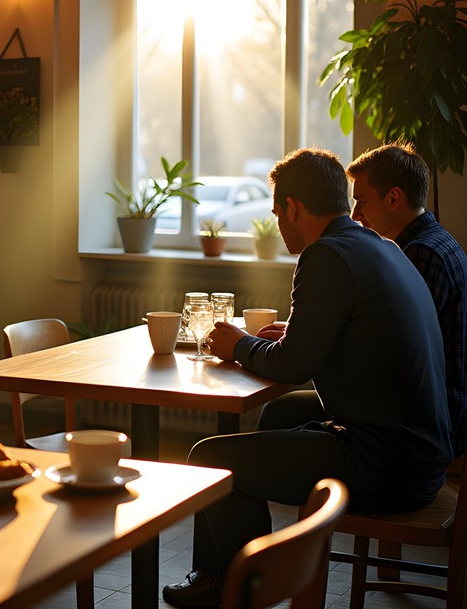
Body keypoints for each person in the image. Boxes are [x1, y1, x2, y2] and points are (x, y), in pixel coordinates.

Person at [162, 148, 452, 609]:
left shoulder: (324, 255)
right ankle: (218, 575)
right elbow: (340, 340)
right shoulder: (382, 245)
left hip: (386, 464)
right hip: (423, 452)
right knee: (279, 410)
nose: (279, 224)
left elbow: (293, 365)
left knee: (211, 457)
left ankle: (245, 593)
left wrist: (237, 344)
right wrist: (289, 339)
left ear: (293, 208)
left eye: (278, 212)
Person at [260, 142, 467, 458]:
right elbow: (374, 332)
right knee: (281, 413)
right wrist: (306, 332)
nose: (355, 215)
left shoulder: (421, 254)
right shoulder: (408, 246)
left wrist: (297, 342)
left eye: (362, 201)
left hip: (416, 429)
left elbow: (387, 352)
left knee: (220, 458)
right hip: (418, 418)